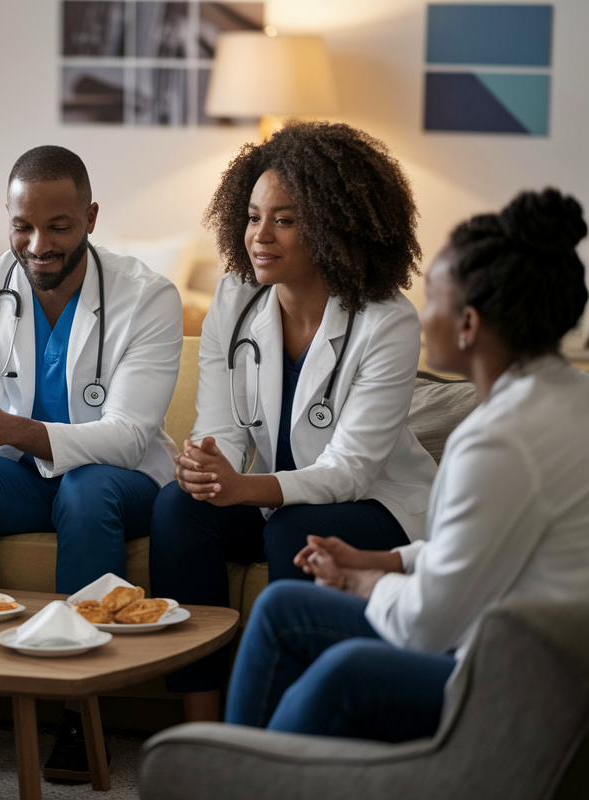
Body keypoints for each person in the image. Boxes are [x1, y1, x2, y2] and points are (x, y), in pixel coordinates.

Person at [224, 188, 589, 741]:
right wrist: (384, 561)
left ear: (467, 324)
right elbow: (475, 548)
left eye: (434, 295)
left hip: (512, 673)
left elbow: (425, 623)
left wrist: (362, 581)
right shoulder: (568, 396)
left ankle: (235, 773)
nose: (421, 311)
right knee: (283, 608)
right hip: (543, 649)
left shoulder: (496, 442)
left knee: (325, 655)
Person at [150, 121, 439, 723]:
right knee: (179, 509)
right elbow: (221, 428)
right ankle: (203, 730)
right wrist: (205, 467)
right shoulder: (235, 299)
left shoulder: (387, 321)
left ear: (335, 224)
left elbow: (353, 471)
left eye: (284, 219)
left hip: (378, 506)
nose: (260, 236)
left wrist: (243, 488)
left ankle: (286, 732)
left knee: (295, 533)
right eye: (253, 217)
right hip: (275, 497)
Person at [0, 146, 184, 778]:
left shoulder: (147, 296)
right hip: (22, 478)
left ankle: (76, 710)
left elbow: (127, 435)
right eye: (22, 226)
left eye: (58, 226)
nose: (38, 244)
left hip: (124, 481)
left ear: (89, 217)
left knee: (85, 491)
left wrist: (6, 427)